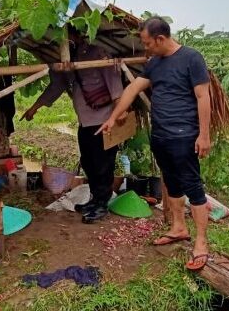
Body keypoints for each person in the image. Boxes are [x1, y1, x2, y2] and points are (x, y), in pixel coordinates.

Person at [98, 16, 212, 271]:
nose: (145, 48)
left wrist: (203, 135)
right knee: (171, 183)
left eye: (148, 42)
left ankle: (202, 242)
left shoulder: (192, 58)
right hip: (160, 136)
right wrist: (112, 118)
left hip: (184, 136)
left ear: (161, 39)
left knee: (192, 185)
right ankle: (179, 227)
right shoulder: (154, 64)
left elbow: (203, 97)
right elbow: (132, 89)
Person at [22, 28, 125, 223]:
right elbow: (56, 86)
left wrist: (119, 114)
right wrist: (35, 107)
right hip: (85, 123)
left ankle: (102, 205)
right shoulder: (66, 60)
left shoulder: (98, 54)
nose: (66, 41)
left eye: (68, 36)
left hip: (104, 121)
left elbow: (115, 86)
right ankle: (95, 200)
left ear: (78, 34)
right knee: (89, 163)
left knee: (103, 165)